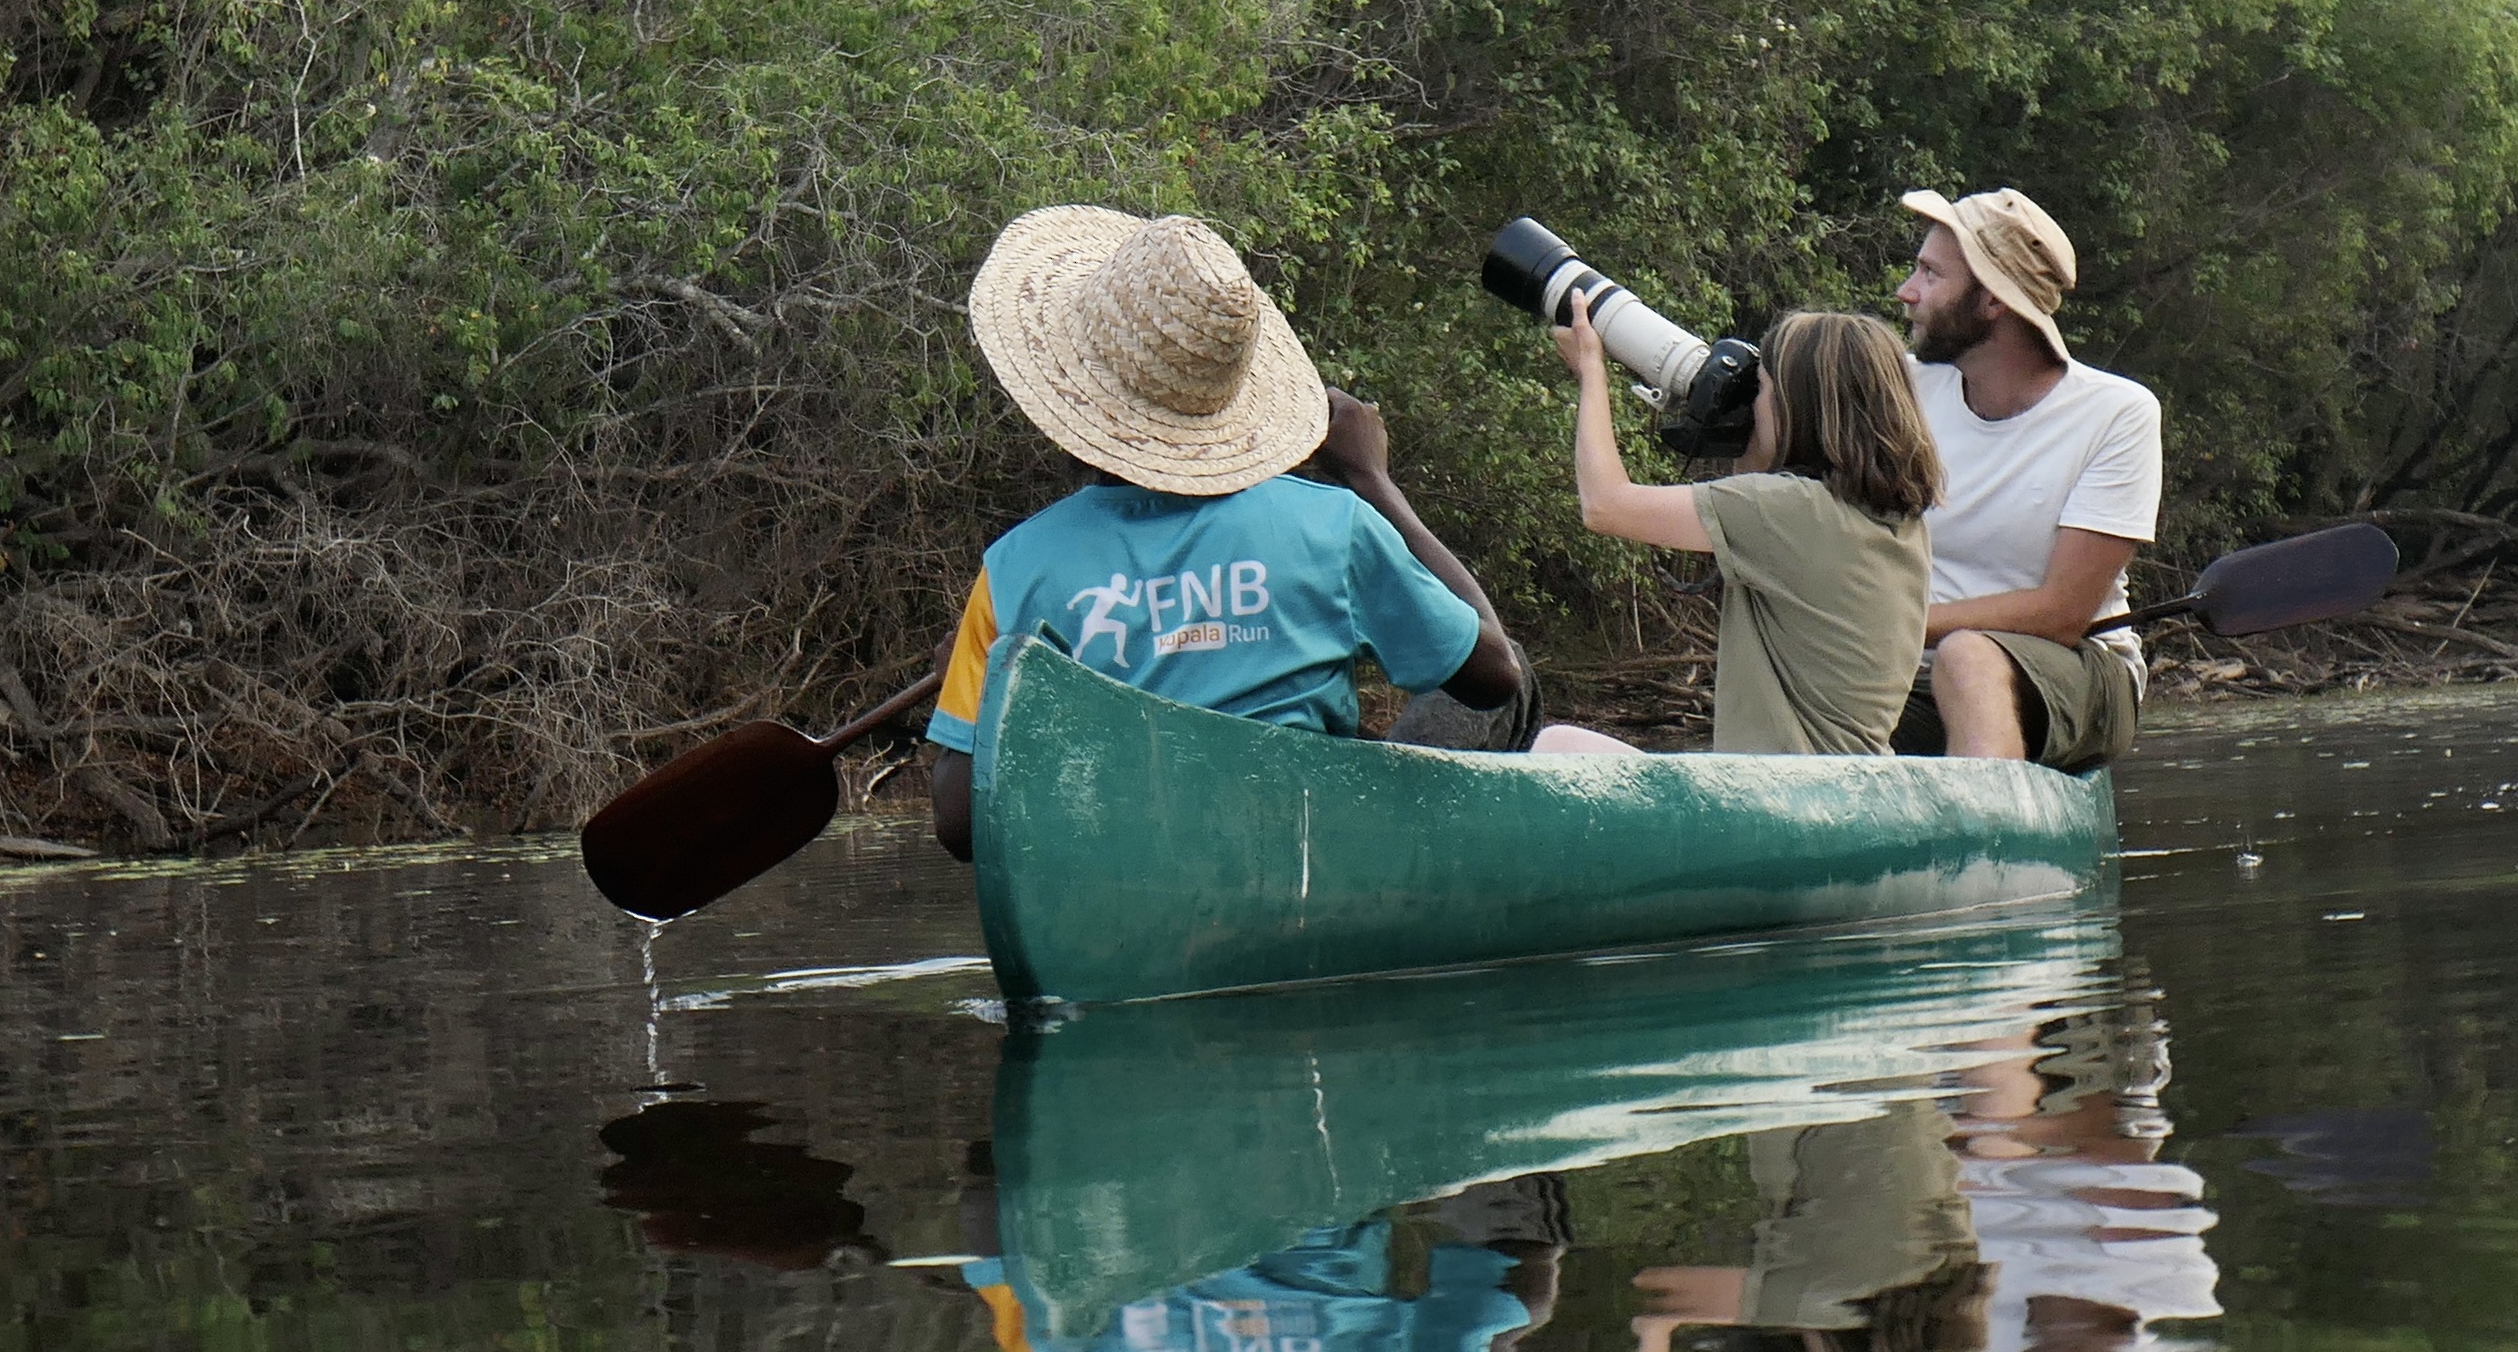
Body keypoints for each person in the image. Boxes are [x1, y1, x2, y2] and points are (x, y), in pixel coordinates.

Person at [923, 208, 1524, 859]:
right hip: (1308, 852)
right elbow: (1496, 677)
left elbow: (959, 823)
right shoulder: (1334, 526)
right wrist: (1372, 481)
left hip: (1129, 868)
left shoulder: (1013, 570)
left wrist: (985, 709)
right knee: (1514, 673)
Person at [1553, 305, 1942, 753]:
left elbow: (1605, 505)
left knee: (1559, 745)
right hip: (1845, 794)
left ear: (1794, 407)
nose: (1751, 406)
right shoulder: (1897, 521)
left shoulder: (1791, 512)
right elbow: (1759, 484)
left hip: (1776, 803)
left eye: (1759, 391)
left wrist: (1591, 368)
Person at [1891, 184, 2161, 770]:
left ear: (1991, 302)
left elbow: (2062, 612)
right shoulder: (1903, 388)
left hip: (2078, 666)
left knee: (1968, 658)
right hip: (1913, 671)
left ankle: (1992, 848)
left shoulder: (2117, 412)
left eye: (1931, 275)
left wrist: (1889, 625)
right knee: (1808, 690)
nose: (1906, 292)